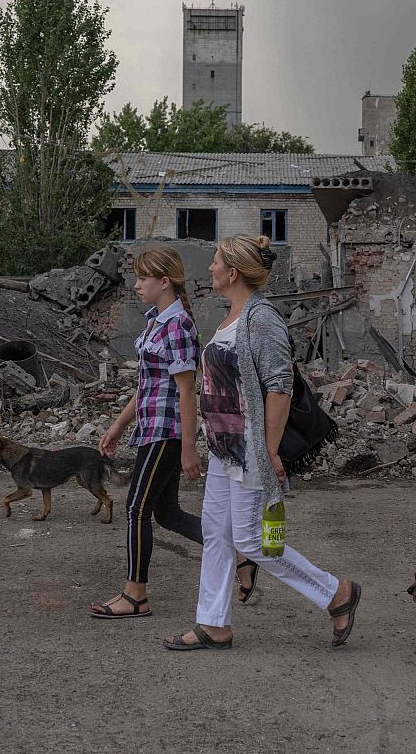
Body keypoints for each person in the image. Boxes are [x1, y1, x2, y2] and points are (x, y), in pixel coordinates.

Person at [162, 234, 361, 651]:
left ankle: (335, 593)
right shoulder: (231, 316)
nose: (211, 267)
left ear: (233, 272)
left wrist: (268, 450)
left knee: (251, 540)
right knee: (216, 534)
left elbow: (279, 386)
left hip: (250, 450)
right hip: (225, 449)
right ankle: (214, 624)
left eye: (216, 261)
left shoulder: (261, 317)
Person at [91, 246, 257, 619]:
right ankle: (238, 554)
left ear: (164, 281)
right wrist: (119, 424)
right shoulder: (155, 321)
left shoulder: (178, 325)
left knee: (136, 509)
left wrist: (188, 448)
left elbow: (187, 390)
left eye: (143, 278)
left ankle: (135, 595)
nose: (136, 285)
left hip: (166, 431)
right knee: (166, 512)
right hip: (151, 427)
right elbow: (147, 386)